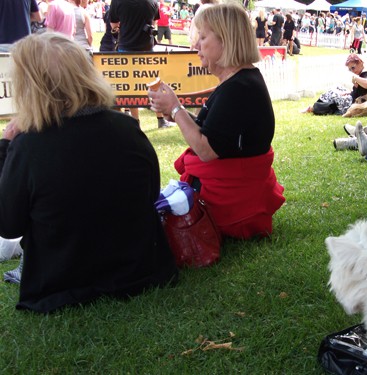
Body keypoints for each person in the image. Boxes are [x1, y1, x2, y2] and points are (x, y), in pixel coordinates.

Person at [0, 33, 178, 313]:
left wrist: (5, 145)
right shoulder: (127, 128)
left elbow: (8, 224)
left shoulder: (28, 146)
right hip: (140, 270)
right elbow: (150, 193)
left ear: (32, 85)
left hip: (62, 283)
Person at [148, 3, 285, 240]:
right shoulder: (241, 80)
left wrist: (176, 108)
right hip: (236, 188)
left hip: (229, 200)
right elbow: (216, 132)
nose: (196, 45)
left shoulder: (239, 87)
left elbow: (206, 149)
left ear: (226, 40)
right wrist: (176, 112)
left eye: (202, 37)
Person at [109, 0, 169, 128]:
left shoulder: (117, 2)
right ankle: (160, 119)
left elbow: (113, 25)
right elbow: (153, 24)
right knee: (154, 83)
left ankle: (136, 121)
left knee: (130, 85)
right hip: (147, 47)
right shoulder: (152, 2)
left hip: (126, 46)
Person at [302, 53, 367, 116]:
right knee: (336, 89)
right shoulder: (365, 73)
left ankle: (313, 108)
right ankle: (315, 107)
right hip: (357, 100)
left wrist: (355, 78)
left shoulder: (365, 73)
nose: (352, 71)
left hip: (357, 103)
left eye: (353, 68)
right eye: (350, 69)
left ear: (360, 62)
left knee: (331, 94)